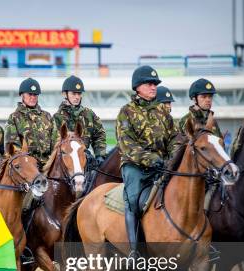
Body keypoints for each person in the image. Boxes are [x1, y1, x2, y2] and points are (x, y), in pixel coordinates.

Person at [116, 65, 180, 260]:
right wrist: (153, 160)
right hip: (136, 167)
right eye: (149, 84)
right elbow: (127, 144)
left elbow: (175, 138)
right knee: (133, 201)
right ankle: (134, 249)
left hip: (163, 166)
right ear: (137, 87)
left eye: (155, 84)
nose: (154, 87)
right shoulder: (126, 112)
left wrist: (172, 158)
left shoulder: (162, 111)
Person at [52, 75, 107, 165]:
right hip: (66, 162)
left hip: (86, 160)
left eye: (79, 93)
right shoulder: (57, 118)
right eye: (74, 93)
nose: (77, 97)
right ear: (64, 94)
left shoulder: (89, 114)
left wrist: (99, 155)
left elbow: (99, 135)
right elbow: (54, 144)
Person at [4, 78, 55, 169]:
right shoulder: (15, 117)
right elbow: (12, 148)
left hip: (48, 166)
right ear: (22, 95)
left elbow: (55, 142)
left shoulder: (47, 116)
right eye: (29, 94)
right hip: (27, 166)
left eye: (35, 95)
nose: (33, 97)